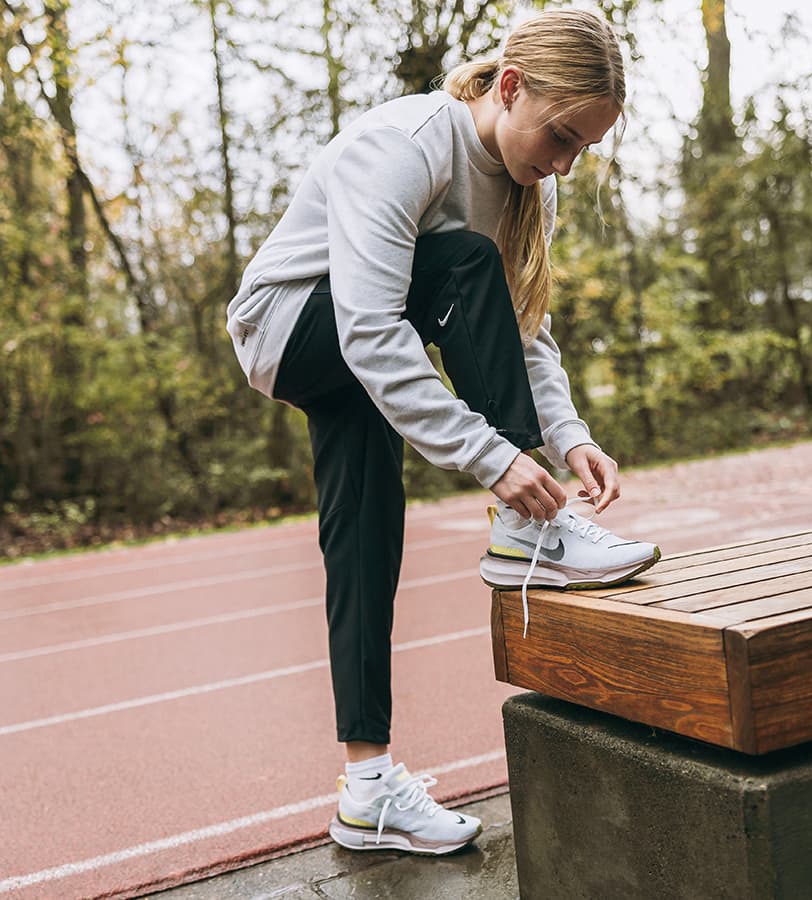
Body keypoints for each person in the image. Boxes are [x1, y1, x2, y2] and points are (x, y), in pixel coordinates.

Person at [226, 7, 659, 857]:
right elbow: (371, 331)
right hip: (290, 327)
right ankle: (526, 530)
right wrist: (500, 464)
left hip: (362, 340)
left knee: (365, 541)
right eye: (561, 136)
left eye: (583, 149)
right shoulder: (404, 147)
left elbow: (520, 330)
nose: (564, 163)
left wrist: (569, 437)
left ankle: (368, 791)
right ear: (510, 86)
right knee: (463, 259)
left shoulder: (528, 182)